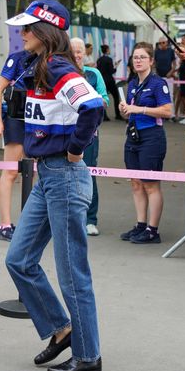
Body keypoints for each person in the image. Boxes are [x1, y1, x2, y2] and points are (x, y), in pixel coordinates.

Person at [5, 0, 103, 371]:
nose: (22, 33)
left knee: (72, 272)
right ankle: (62, 330)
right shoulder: (40, 66)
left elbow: (92, 106)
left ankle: (88, 354)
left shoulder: (58, 67)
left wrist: (76, 149)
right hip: (49, 175)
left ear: (45, 32)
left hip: (63, 174)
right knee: (19, 259)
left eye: (28, 28)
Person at [119, 42, 172, 244]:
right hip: (133, 136)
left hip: (152, 137)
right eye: (135, 57)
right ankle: (140, 225)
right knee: (136, 183)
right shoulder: (132, 84)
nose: (138, 60)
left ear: (151, 60)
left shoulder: (159, 83)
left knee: (151, 185)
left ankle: (153, 230)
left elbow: (167, 111)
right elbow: (130, 112)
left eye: (142, 57)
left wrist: (139, 109)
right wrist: (126, 111)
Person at [70, 37, 109, 236]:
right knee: (64, 175)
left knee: (89, 174)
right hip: (64, 134)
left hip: (89, 135)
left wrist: (91, 99)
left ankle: (90, 219)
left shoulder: (94, 74)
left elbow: (105, 100)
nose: (76, 55)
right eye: (73, 51)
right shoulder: (62, 74)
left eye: (79, 51)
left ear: (85, 53)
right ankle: (67, 219)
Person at [0, 50, 28, 241]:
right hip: (15, 118)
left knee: (34, 172)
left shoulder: (51, 57)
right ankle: (5, 225)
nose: (24, 35)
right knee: (11, 171)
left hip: (39, 119)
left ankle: (30, 224)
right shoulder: (17, 57)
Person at [96, 44, 122, 120]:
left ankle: (104, 116)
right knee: (116, 97)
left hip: (102, 81)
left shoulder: (99, 60)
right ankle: (117, 115)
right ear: (107, 50)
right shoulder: (109, 59)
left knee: (103, 97)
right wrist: (116, 66)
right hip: (110, 81)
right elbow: (111, 71)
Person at [154, 37, 176, 119]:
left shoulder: (170, 51)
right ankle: (161, 113)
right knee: (159, 95)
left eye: (163, 42)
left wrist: (171, 72)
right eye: (160, 43)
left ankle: (172, 114)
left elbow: (174, 64)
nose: (161, 44)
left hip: (168, 76)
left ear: (166, 43)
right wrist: (156, 74)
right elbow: (154, 64)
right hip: (159, 76)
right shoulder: (156, 52)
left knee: (170, 95)